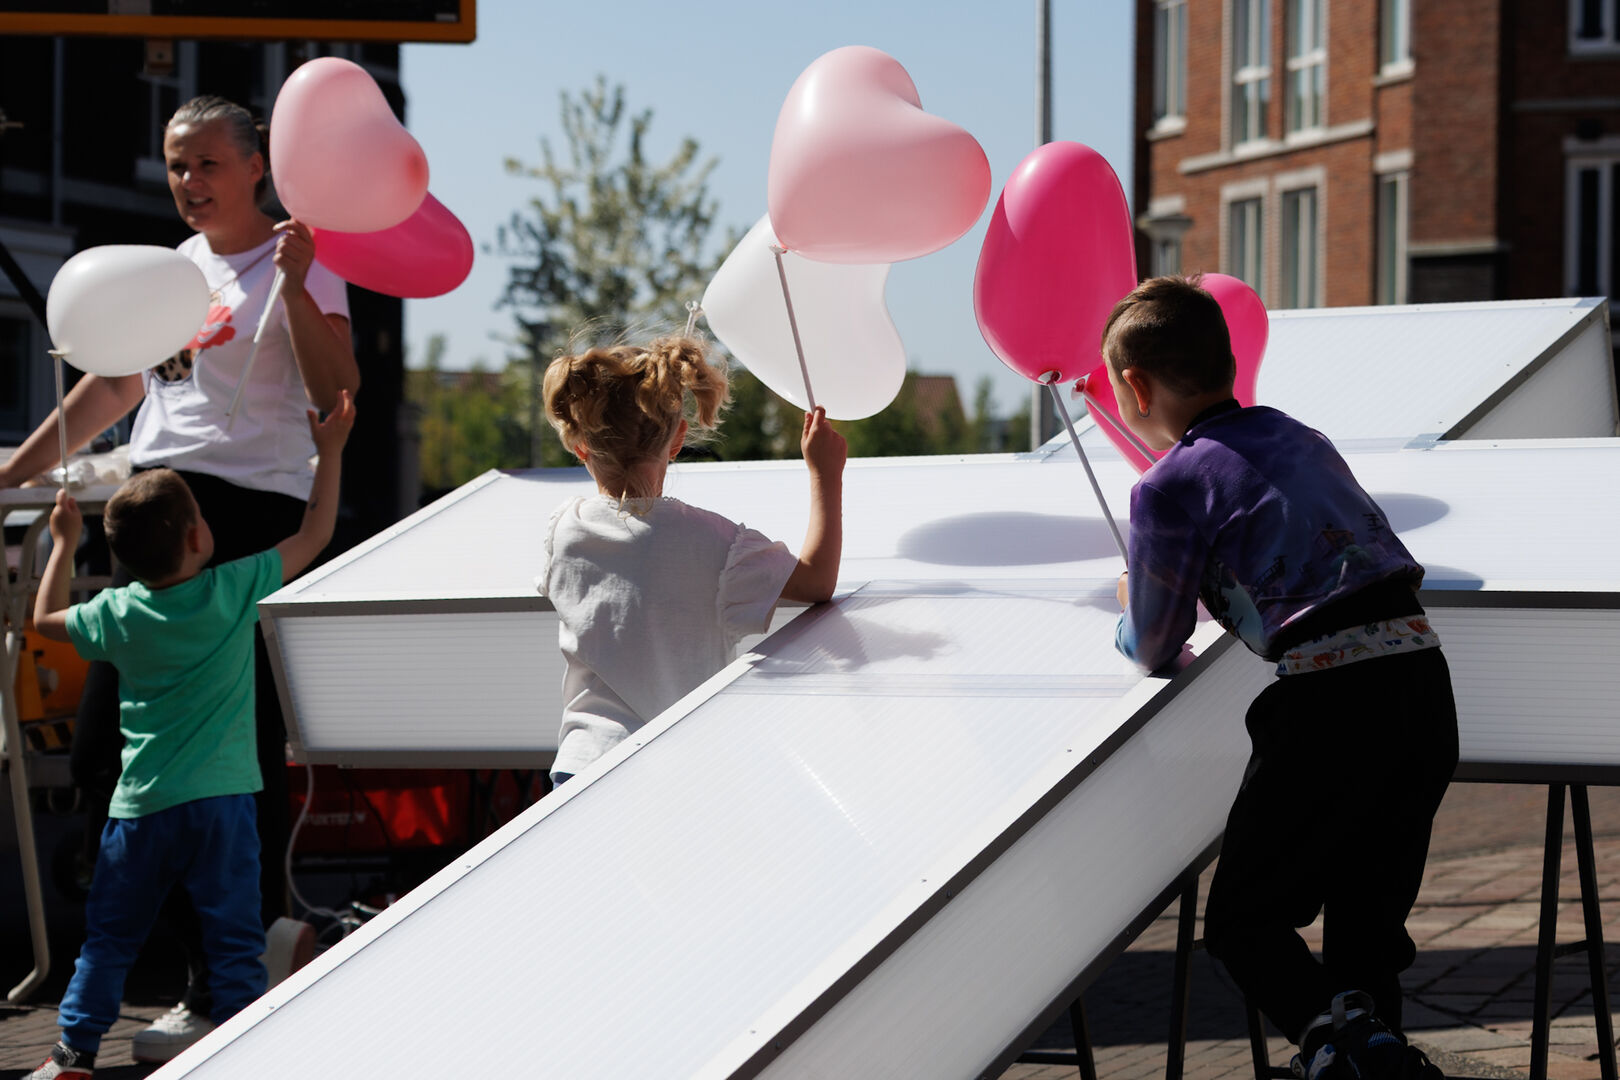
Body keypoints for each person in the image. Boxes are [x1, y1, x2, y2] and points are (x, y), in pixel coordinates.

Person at [0, 95, 358, 1060]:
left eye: (205, 163)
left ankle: (218, 985)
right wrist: (15, 471)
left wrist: (297, 284)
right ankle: (221, 963)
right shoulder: (174, 272)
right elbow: (115, 384)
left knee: (231, 757)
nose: (187, 182)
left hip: (245, 516)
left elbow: (337, 391)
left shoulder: (296, 258)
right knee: (104, 759)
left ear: (254, 169)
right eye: (174, 165)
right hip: (157, 512)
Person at [1105, 276, 1456, 1080]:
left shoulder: (1165, 485)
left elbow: (1156, 641)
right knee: (1367, 931)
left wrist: (1132, 600)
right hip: (1423, 686)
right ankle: (1376, 1054)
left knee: (1241, 922)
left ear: (1135, 384)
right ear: (1228, 362)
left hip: (1332, 701)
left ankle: (1339, 1047)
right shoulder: (1302, 437)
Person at [24, 391, 354, 1080]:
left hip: (141, 809)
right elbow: (316, 533)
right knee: (234, 940)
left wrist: (60, 543)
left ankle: (73, 1054)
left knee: (109, 940)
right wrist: (332, 451)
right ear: (198, 537)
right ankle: (243, 1052)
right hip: (223, 807)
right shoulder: (233, 589)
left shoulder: (117, 613)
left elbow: (46, 617)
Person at [538, 336, 845, 788]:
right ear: (679, 438)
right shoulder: (719, 544)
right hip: (682, 771)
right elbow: (818, 581)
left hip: (582, 767)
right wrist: (825, 474)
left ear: (580, 444)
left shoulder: (564, 529)